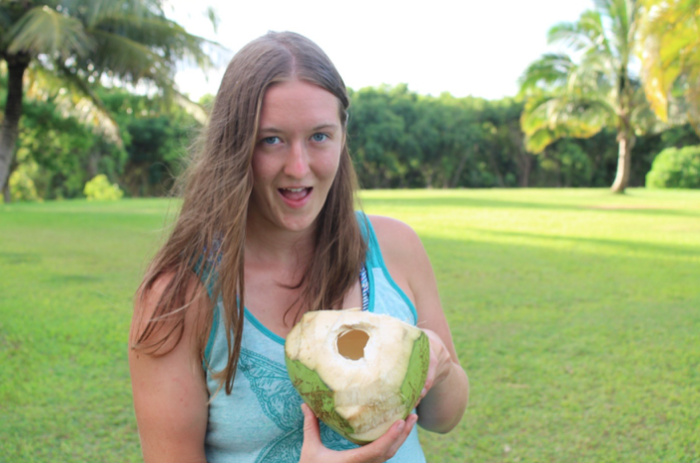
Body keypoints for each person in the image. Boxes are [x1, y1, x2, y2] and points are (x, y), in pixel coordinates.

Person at [129, 31, 469, 463]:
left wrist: (436, 368)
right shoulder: (178, 297)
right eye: (271, 139)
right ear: (233, 146)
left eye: (319, 137)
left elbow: (445, 417)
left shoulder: (395, 248)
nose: (298, 166)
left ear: (343, 135)